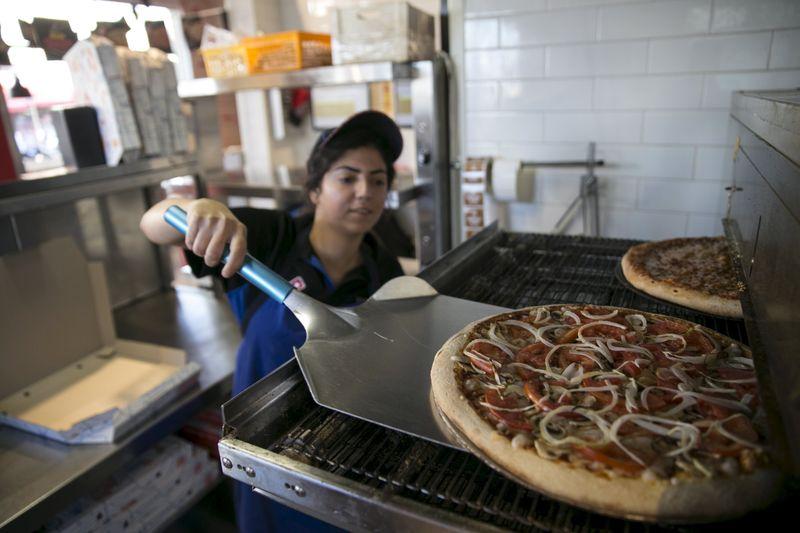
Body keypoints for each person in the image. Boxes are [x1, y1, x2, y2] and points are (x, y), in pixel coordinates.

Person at [140, 111, 405, 532]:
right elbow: (154, 224)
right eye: (347, 178)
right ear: (316, 189)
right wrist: (193, 208)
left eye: (377, 180)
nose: (365, 192)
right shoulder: (267, 237)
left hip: (346, 453)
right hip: (262, 450)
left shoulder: (385, 270)